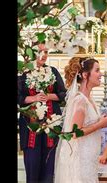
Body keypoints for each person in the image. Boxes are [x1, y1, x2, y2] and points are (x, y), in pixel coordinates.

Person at [54, 57, 107, 183]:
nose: (100, 74)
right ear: (85, 75)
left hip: (89, 156)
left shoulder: (88, 99)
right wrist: (100, 124)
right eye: (97, 70)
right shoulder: (80, 101)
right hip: (81, 158)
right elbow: (74, 133)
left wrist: (99, 122)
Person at [18, 45, 67, 183]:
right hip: (30, 126)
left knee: (49, 168)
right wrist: (34, 98)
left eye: (46, 51)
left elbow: (63, 94)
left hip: (51, 124)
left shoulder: (53, 71)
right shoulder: (24, 73)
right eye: (40, 52)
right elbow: (19, 97)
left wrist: (49, 96)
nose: (44, 54)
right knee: (33, 166)